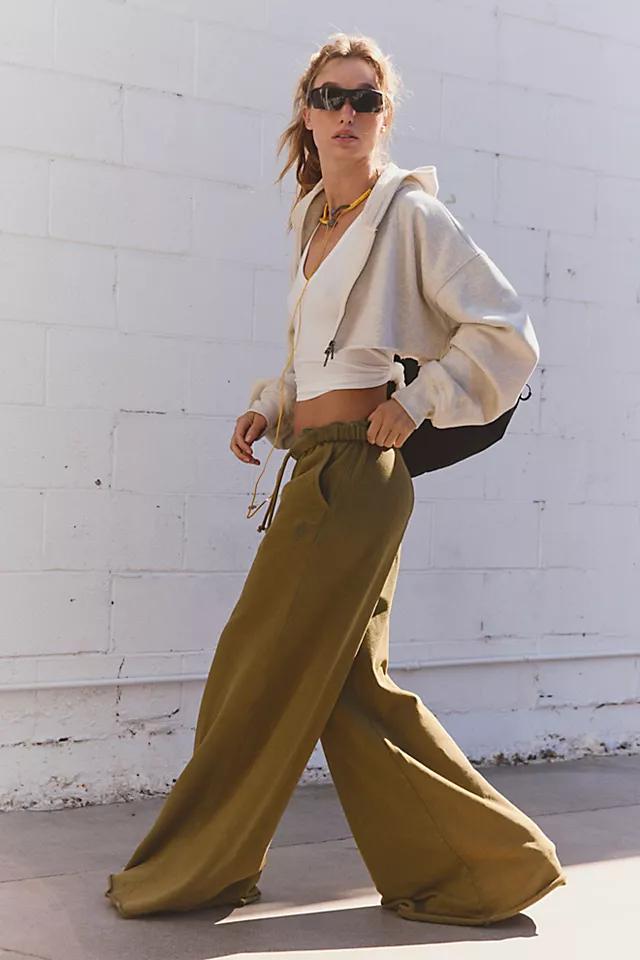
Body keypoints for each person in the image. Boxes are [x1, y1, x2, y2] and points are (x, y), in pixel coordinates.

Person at [105, 32, 568, 925]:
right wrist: (272, 408)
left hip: (356, 475)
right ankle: (487, 870)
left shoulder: (409, 214)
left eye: (365, 99)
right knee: (351, 693)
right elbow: (317, 359)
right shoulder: (315, 220)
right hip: (318, 464)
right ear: (308, 115)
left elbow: (506, 330)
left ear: (384, 118)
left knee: (254, 663)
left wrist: (421, 401)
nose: (346, 113)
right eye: (330, 97)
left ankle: (197, 866)